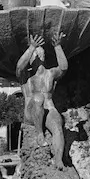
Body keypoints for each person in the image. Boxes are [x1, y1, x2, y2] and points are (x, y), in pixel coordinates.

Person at [16, 32, 68, 170]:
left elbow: (63, 68)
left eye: (40, 54)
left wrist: (57, 47)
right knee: (38, 98)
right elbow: (19, 66)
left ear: (44, 56)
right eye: (34, 54)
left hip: (48, 108)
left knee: (57, 124)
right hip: (31, 112)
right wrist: (31, 47)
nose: (37, 57)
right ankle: (40, 134)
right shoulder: (25, 75)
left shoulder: (50, 73)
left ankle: (58, 159)